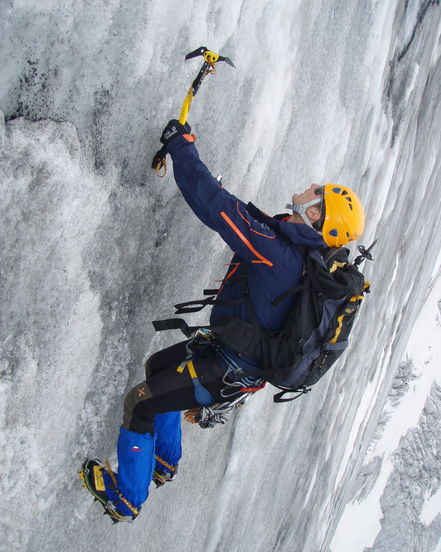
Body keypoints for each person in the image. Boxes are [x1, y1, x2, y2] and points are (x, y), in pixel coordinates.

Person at [82, 120, 365, 521]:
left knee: (139, 404)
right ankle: (164, 461)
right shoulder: (299, 254)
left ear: (316, 212)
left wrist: (182, 147)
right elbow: (244, 217)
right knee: (157, 368)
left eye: (317, 191)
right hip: (230, 358)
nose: (311, 185)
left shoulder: (280, 255)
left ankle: (127, 500)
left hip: (225, 369)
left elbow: (218, 209)